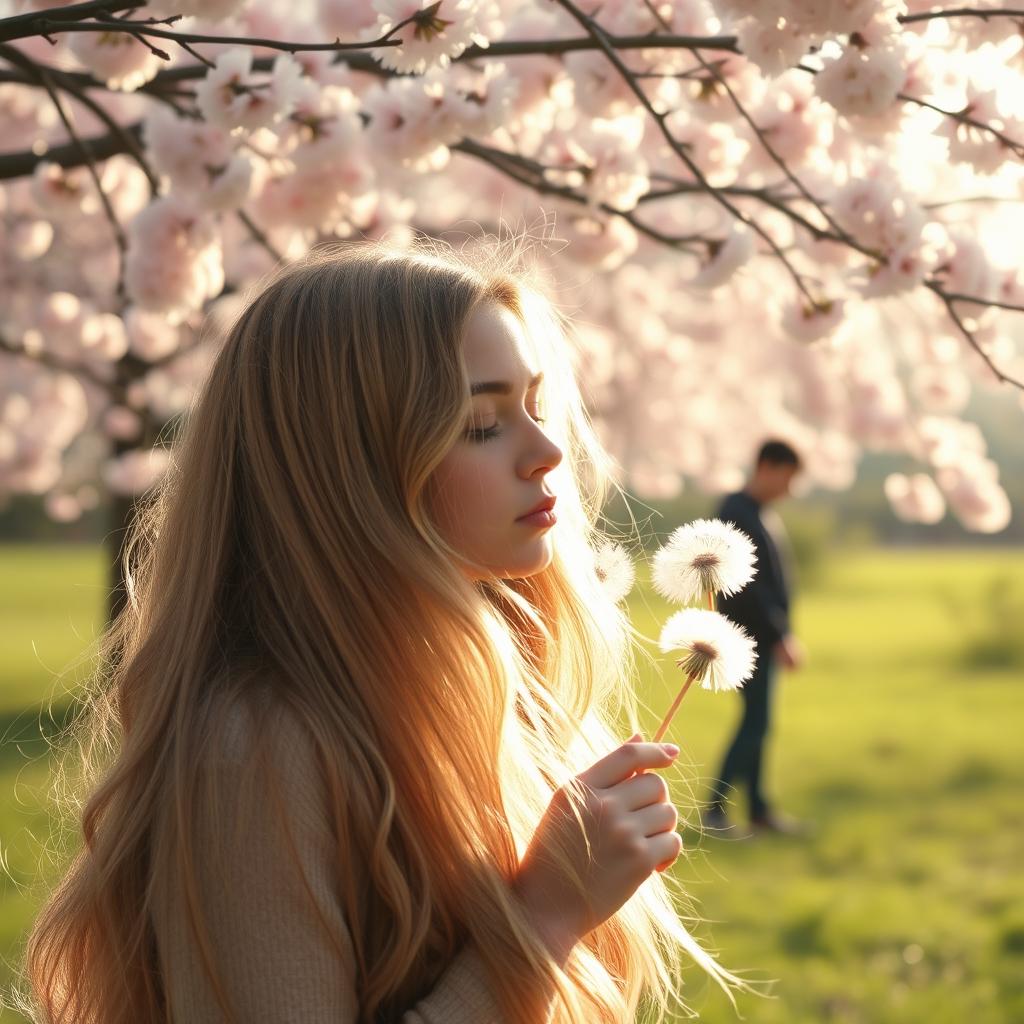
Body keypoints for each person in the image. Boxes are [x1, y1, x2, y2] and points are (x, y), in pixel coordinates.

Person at [14, 238, 750, 1024]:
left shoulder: (494, 704)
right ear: (347, 470)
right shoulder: (258, 748)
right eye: (479, 423)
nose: (546, 452)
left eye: (535, 406)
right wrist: (543, 921)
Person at [703, 439, 807, 837]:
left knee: (760, 723)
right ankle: (715, 809)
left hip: (760, 638)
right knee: (754, 723)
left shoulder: (756, 512)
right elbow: (750, 589)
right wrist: (780, 634)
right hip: (747, 638)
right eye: (788, 477)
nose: (790, 488)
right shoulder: (736, 513)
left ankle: (759, 809)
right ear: (767, 466)